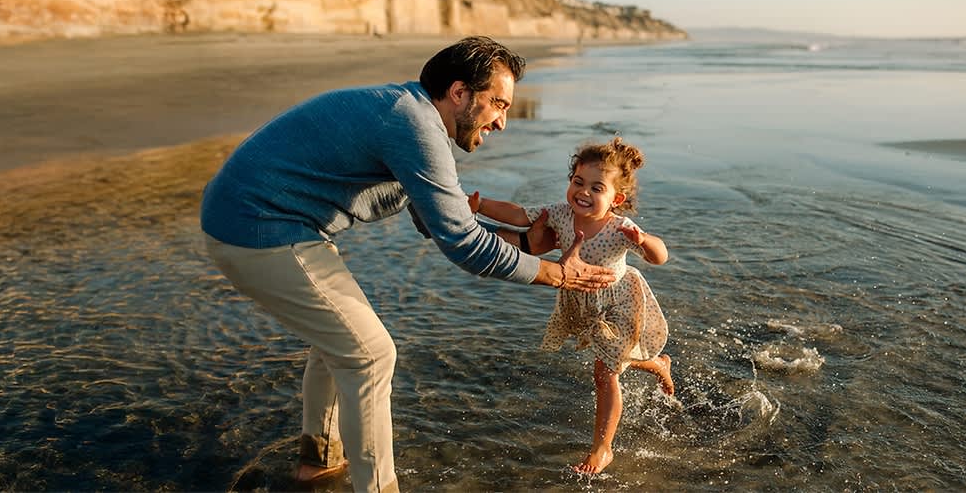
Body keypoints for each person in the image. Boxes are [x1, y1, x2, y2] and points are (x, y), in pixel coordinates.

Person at [199, 36, 616, 492]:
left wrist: (525, 243)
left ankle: (317, 464)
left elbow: (441, 222)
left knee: (341, 342)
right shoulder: (414, 126)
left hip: (257, 222)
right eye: (498, 103)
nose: (502, 122)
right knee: (370, 355)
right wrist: (556, 274)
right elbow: (462, 242)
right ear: (460, 93)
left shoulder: (411, 114)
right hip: (258, 229)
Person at [466, 137, 673, 475]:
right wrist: (480, 205)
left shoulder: (619, 228)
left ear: (616, 199)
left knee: (605, 372)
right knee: (612, 360)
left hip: (619, 301)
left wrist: (644, 240)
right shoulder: (561, 214)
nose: (583, 192)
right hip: (582, 299)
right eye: (578, 181)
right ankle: (658, 365)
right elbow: (519, 215)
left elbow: (660, 257)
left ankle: (603, 449)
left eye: (596, 188)